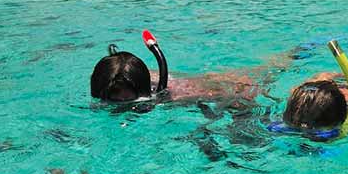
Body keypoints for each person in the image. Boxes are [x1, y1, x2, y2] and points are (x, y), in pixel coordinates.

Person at [90, 31, 297, 106]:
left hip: (223, 84)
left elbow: (234, 99)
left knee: (271, 70)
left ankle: (299, 51)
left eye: (126, 100)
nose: (118, 103)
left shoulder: (177, 96)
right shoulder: (110, 81)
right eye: (112, 100)